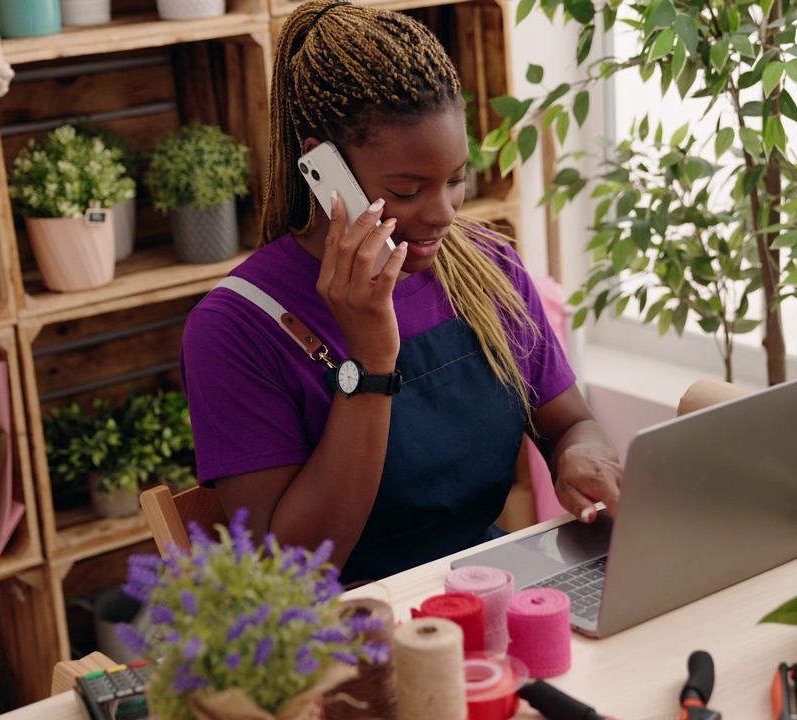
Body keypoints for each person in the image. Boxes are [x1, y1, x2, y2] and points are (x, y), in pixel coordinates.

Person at [180, 0, 622, 583]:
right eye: (408, 190)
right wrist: (369, 360)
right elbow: (287, 576)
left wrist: (578, 453)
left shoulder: (487, 268)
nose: (443, 213)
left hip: (486, 584)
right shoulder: (236, 328)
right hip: (347, 628)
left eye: (457, 179)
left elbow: (568, 423)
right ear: (322, 167)